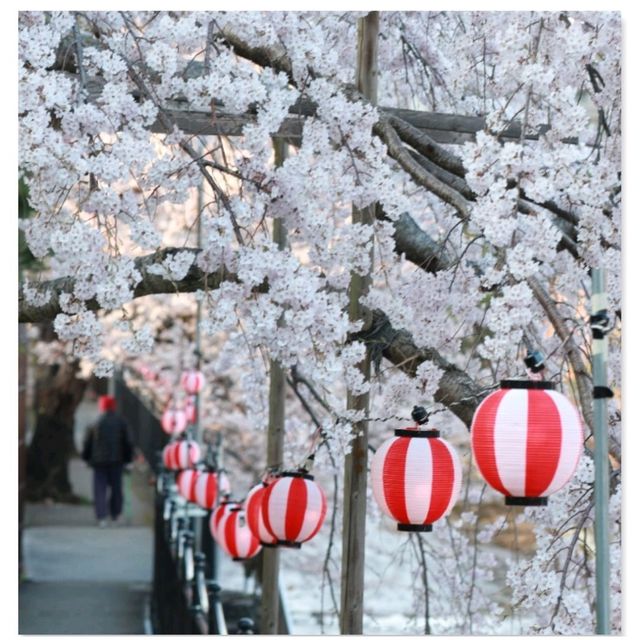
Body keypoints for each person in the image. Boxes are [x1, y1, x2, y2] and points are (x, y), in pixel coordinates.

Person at [81, 395, 134, 527]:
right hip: (117, 460)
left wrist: (86, 458)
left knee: (99, 489)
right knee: (117, 488)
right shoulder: (121, 422)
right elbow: (128, 442)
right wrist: (128, 459)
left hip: (99, 461)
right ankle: (115, 514)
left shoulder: (96, 422)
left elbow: (88, 443)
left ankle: (101, 516)